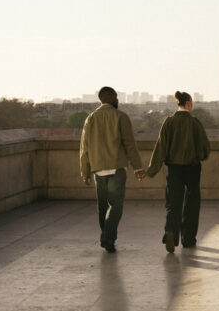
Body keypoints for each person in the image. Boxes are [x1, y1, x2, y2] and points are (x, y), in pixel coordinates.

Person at [79, 86, 146, 253]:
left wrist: (84, 171)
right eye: (116, 97)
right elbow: (130, 145)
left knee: (103, 208)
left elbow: (84, 148)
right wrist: (137, 167)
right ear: (110, 97)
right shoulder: (121, 117)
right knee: (116, 207)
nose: (118, 100)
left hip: (97, 170)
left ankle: (107, 238)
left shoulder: (91, 118)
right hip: (116, 168)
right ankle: (108, 238)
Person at [146, 91, 210, 253]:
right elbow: (205, 148)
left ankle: (171, 232)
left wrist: (151, 171)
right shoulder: (195, 123)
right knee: (192, 203)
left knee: (173, 202)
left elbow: (160, 149)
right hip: (192, 168)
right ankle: (188, 239)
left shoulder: (169, 122)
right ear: (188, 103)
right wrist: (199, 156)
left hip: (174, 168)